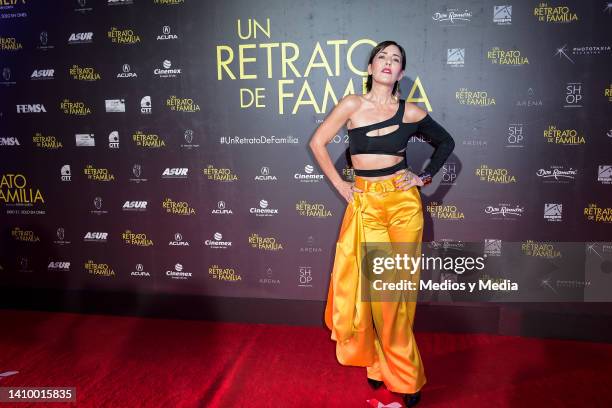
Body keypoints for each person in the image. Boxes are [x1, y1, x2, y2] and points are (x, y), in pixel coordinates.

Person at [308, 40, 455, 407]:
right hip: (367, 205)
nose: (388, 63)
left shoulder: (410, 112)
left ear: (401, 73)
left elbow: (446, 142)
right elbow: (317, 142)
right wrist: (342, 185)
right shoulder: (351, 104)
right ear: (370, 67)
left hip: (403, 206)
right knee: (378, 296)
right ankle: (378, 364)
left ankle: (399, 373)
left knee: (398, 295)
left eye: (396, 60)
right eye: (382, 57)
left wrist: (424, 177)